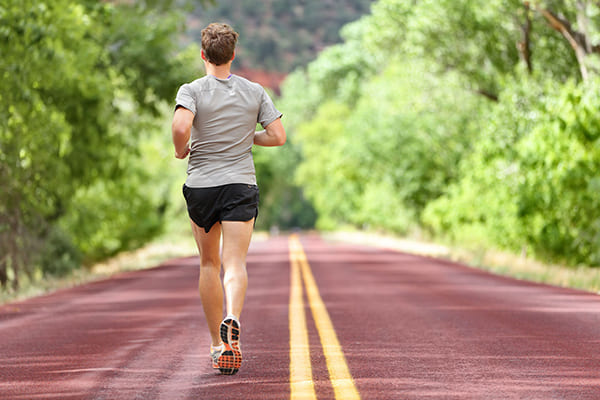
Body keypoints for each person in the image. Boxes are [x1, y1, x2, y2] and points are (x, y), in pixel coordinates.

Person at [171, 23, 286, 375]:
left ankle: (218, 346)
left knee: (209, 263)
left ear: (203, 54)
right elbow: (278, 136)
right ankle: (232, 316)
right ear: (233, 55)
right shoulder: (254, 91)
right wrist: (243, 138)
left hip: (203, 185)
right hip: (240, 185)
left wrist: (181, 151)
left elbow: (180, 128)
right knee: (234, 262)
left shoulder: (192, 90)